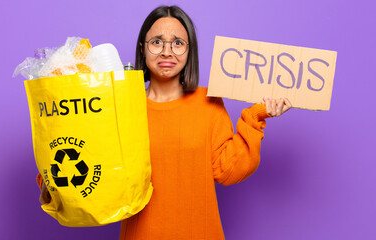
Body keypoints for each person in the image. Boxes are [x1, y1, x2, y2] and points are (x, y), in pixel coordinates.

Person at [38, 5, 292, 239]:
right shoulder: (120, 105)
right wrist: (52, 182)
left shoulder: (209, 102)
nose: (167, 51)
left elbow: (228, 171)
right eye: (157, 42)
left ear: (189, 50)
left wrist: (256, 116)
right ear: (142, 48)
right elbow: (91, 160)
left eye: (178, 43)